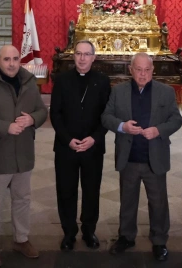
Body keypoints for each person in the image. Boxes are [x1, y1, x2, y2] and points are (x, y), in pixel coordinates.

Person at [101, 52, 182, 262]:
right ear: (131, 70)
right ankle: (126, 237)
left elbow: (176, 119)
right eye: (138, 69)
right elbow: (106, 117)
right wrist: (122, 126)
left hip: (154, 157)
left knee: (158, 202)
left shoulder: (165, 92)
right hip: (128, 157)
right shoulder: (118, 91)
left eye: (147, 70)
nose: (143, 74)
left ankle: (159, 241)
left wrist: (158, 130)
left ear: (153, 70)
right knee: (128, 201)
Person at [0, 45, 49, 268]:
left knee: (23, 199)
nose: (11, 63)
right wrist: (4, 127)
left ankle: (21, 239)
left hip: (24, 152)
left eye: (15, 59)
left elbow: (41, 110)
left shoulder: (28, 82)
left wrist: (32, 120)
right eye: (6, 59)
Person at [50, 40, 111, 252]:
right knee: (66, 190)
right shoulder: (62, 80)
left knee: (91, 190)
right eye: (78, 54)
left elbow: (107, 115)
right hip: (66, 147)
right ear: (73, 56)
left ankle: (88, 230)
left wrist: (94, 138)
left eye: (87, 54)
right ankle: (68, 232)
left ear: (94, 58)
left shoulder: (102, 81)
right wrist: (68, 139)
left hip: (92, 147)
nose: (82, 58)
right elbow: (55, 114)